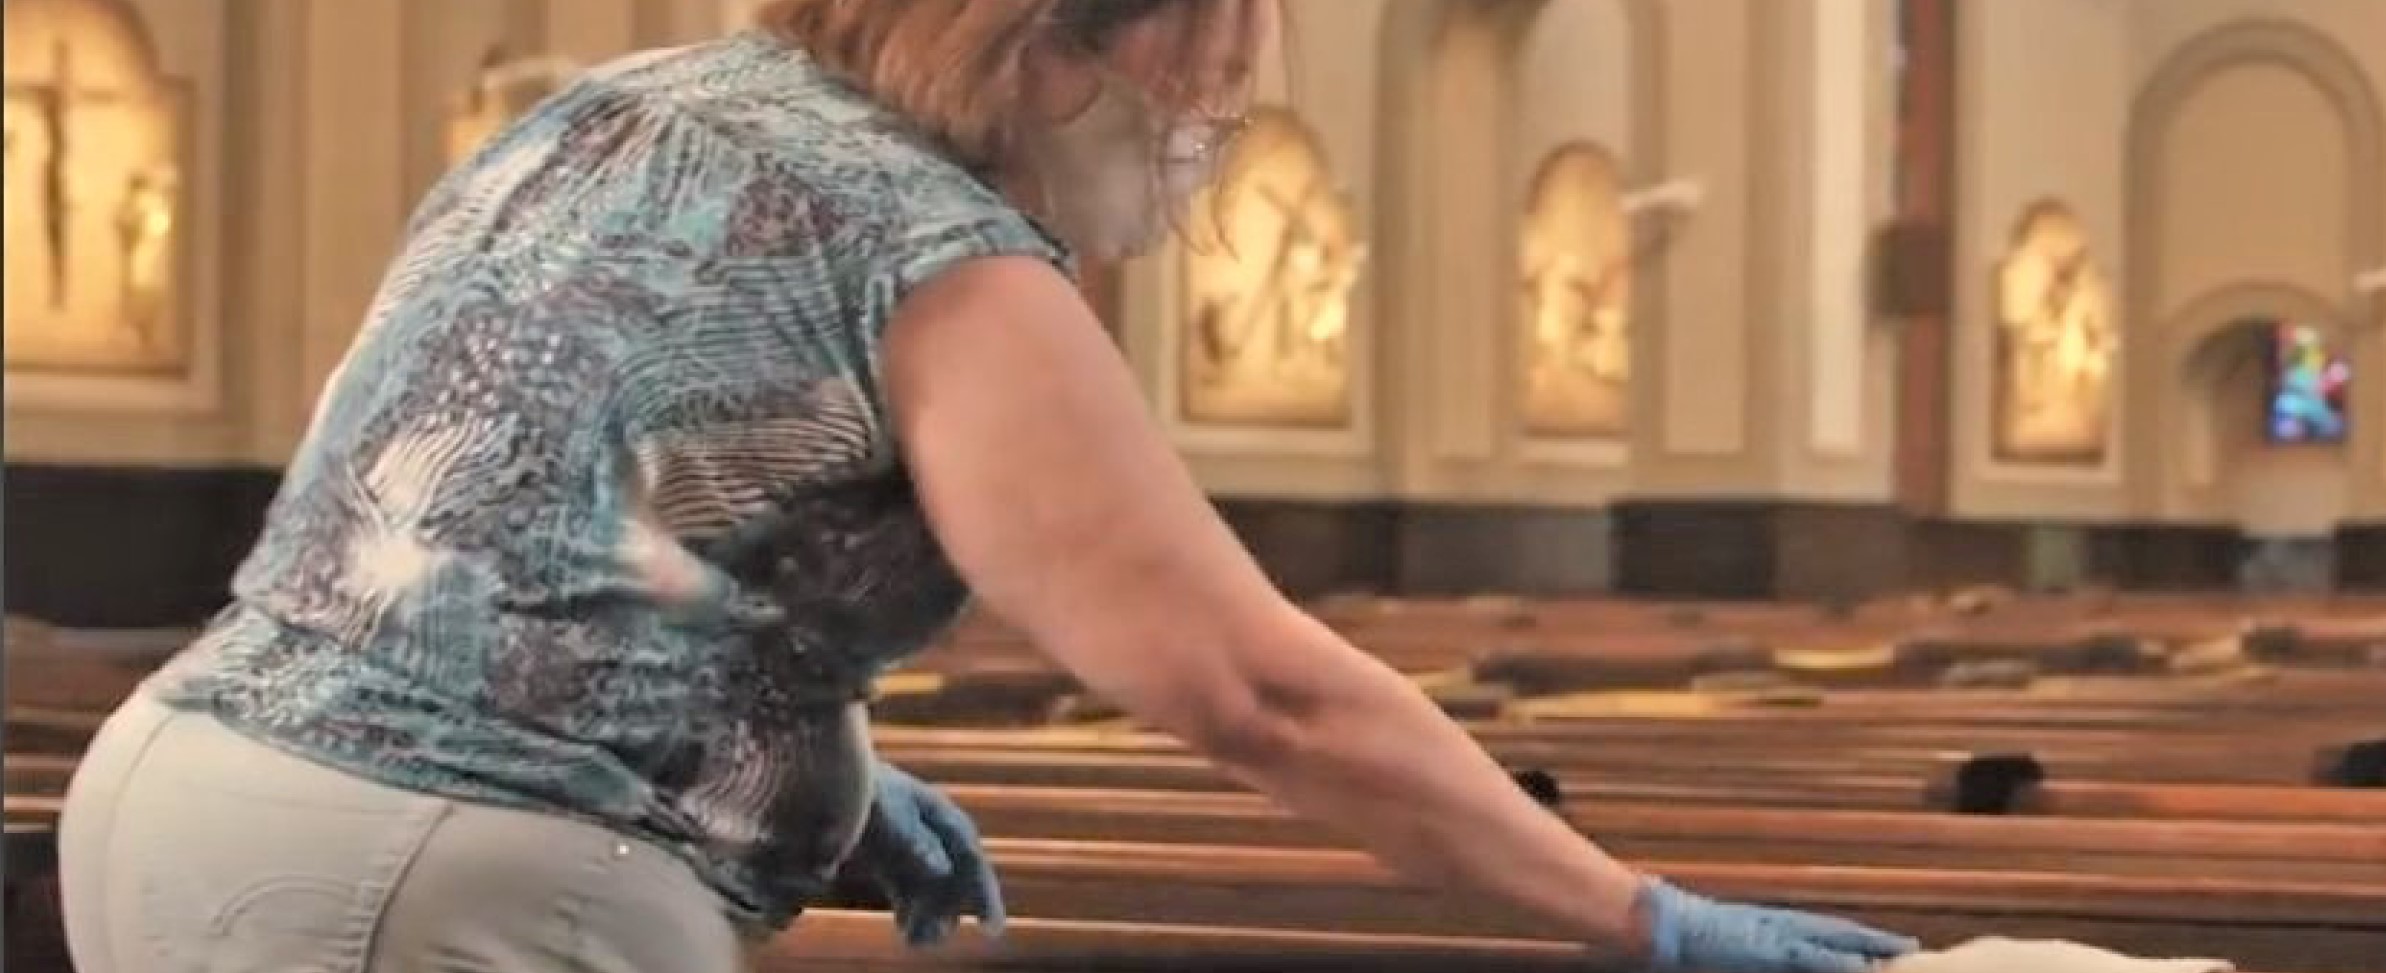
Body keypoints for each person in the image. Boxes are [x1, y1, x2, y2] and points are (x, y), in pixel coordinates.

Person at [53, 3, 1915, 971]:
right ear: (1058, 42)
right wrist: (1632, 913)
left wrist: (786, 746)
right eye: (1200, 72)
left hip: (181, 790)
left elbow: (516, 496)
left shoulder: (634, 107)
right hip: (442, 869)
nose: (1208, 129)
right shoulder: (933, 243)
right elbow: (1241, 680)